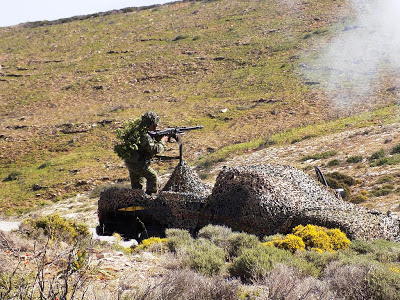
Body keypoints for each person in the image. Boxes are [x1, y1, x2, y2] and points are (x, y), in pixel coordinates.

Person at [114, 111, 168, 194]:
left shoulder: (137, 131)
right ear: (151, 125)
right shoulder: (144, 136)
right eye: (154, 125)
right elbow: (154, 149)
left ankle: (138, 202)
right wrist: (162, 141)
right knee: (153, 177)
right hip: (138, 163)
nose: (155, 127)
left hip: (131, 162)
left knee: (137, 186)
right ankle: (150, 198)